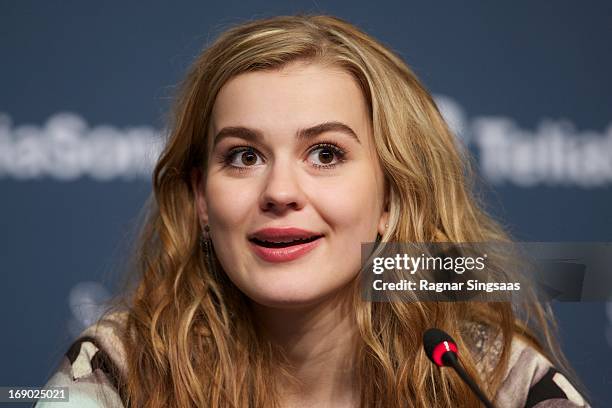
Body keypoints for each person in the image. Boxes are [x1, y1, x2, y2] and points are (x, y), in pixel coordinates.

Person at [37, 14, 590, 407]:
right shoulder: (123, 365)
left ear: (390, 198)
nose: (280, 191)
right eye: (244, 155)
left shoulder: (486, 371)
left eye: (325, 154)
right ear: (203, 199)